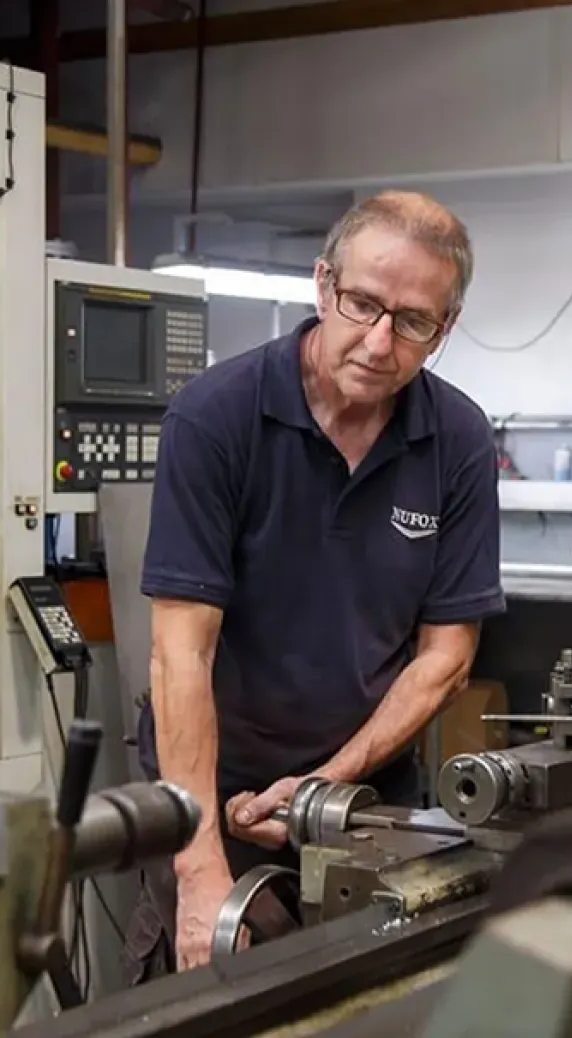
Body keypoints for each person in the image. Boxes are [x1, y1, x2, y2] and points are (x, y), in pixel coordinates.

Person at [121, 190, 505, 982]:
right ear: (323, 283)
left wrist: (326, 782)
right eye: (362, 303)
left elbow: (447, 656)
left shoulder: (459, 440)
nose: (377, 340)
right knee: (220, 982)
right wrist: (198, 874)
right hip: (211, 792)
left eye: (412, 321)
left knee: (373, 988)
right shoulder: (215, 419)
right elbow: (179, 658)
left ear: (446, 327)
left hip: (362, 787)